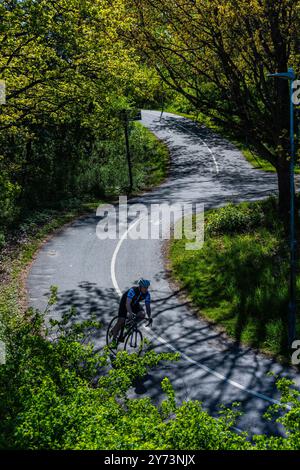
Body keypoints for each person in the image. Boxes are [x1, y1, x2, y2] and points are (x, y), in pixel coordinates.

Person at [110, 278, 152, 346]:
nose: (146, 289)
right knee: (121, 321)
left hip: (134, 304)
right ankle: (114, 339)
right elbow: (127, 304)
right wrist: (130, 313)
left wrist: (149, 317)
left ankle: (129, 324)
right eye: (144, 287)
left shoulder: (147, 294)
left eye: (147, 287)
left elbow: (148, 307)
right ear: (140, 287)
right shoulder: (133, 290)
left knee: (142, 314)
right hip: (125, 303)